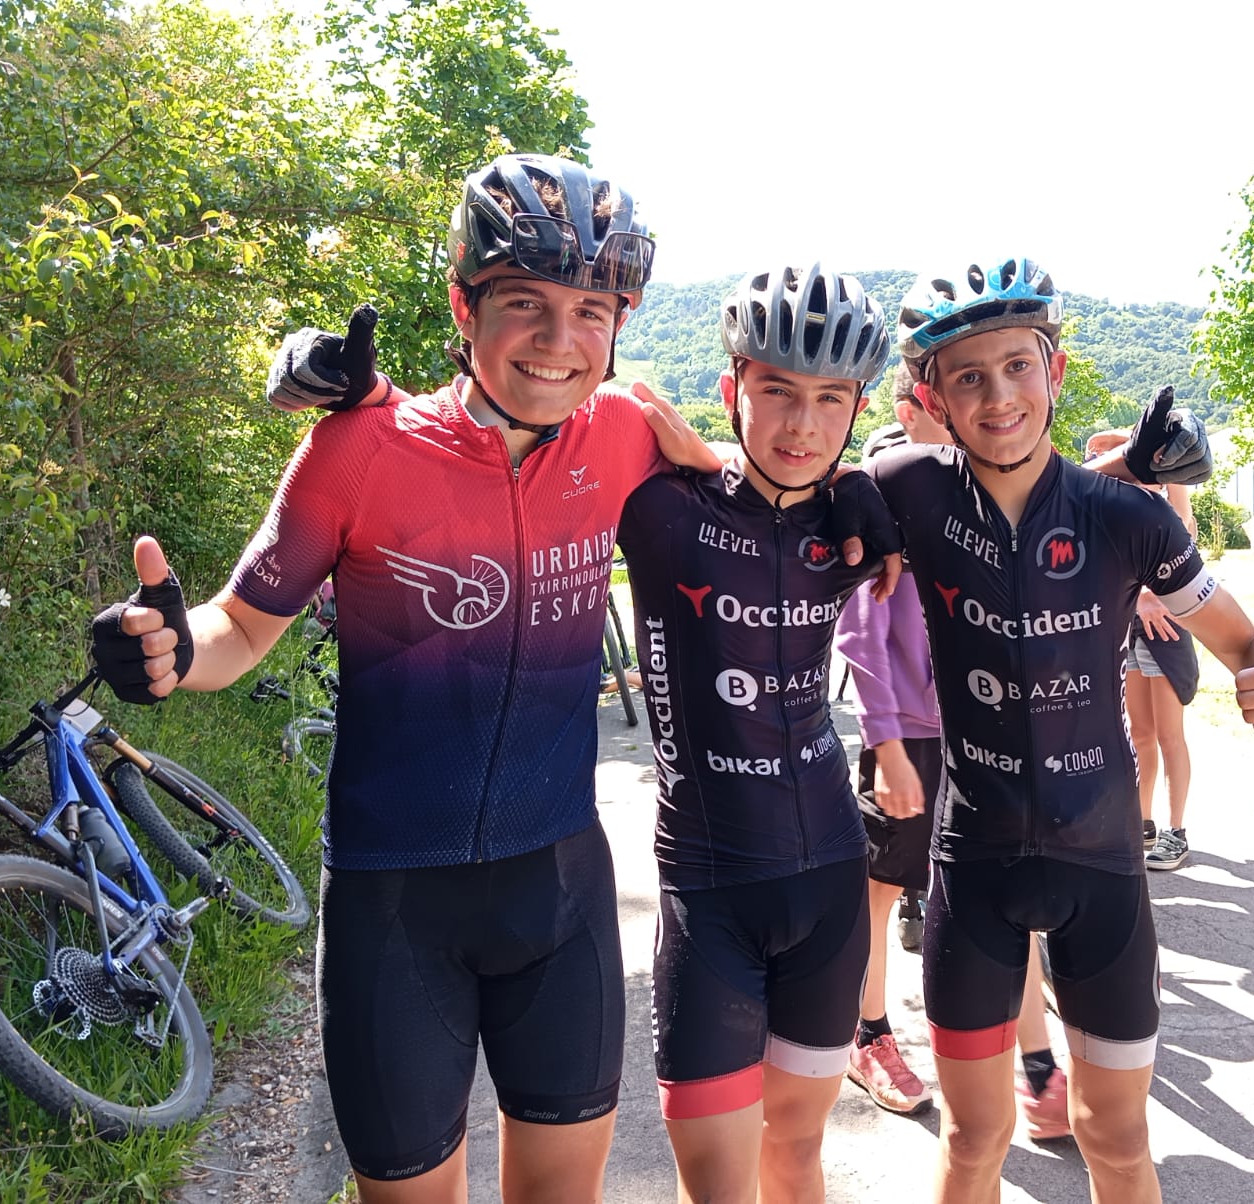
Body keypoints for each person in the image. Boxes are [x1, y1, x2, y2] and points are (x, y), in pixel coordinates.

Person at [88, 154, 743, 1204]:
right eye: (524, 302)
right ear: (462, 305)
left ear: (620, 323)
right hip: (395, 911)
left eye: (589, 310)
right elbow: (240, 627)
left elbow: (748, 481)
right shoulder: (362, 446)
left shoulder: (625, 431)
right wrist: (167, 649)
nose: (558, 338)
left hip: (562, 892)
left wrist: (856, 506)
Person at [870, 252, 1254, 1204]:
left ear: (1056, 369)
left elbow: (1249, 648)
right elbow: (780, 512)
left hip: (1104, 867)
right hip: (973, 864)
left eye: (1017, 366)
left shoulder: (1127, 518)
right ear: (932, 399)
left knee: (1116, 1138)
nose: (999, 396)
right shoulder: (904, 487)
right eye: (968, 378)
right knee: (973, 1139)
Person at [617, 264, 898, 1201]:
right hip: (708, 888)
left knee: (797, 1154)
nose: (801, 425)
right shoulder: (659, 506)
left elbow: (1030, 481)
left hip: (830, 881)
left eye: (830, 399)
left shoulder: (857, 523)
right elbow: (533, 413)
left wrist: (863, 485)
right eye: (777, 390)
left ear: (858, 409)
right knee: (718, 1182)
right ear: (732, 384)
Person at [837, 361, 1069, 1137]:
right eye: (953, 393)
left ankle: (1037, 1064)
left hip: (983, 734)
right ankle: (867, 1033)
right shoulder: (881, 499)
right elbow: (861, 635)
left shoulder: (981, 502)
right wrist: (886, 744)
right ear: (919, 407)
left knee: (1006, 893)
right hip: (909, 737)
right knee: (879, 890)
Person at [1084, 428, 1200, 872]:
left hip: (1165, 628)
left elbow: (1184, 531)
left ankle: (1177, 830)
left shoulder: (1164, 501)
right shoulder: (1109, 502)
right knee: (1139, 733)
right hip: (1128, 626)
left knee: (1170, 734)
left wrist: (1133, 441)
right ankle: (1142, 821)